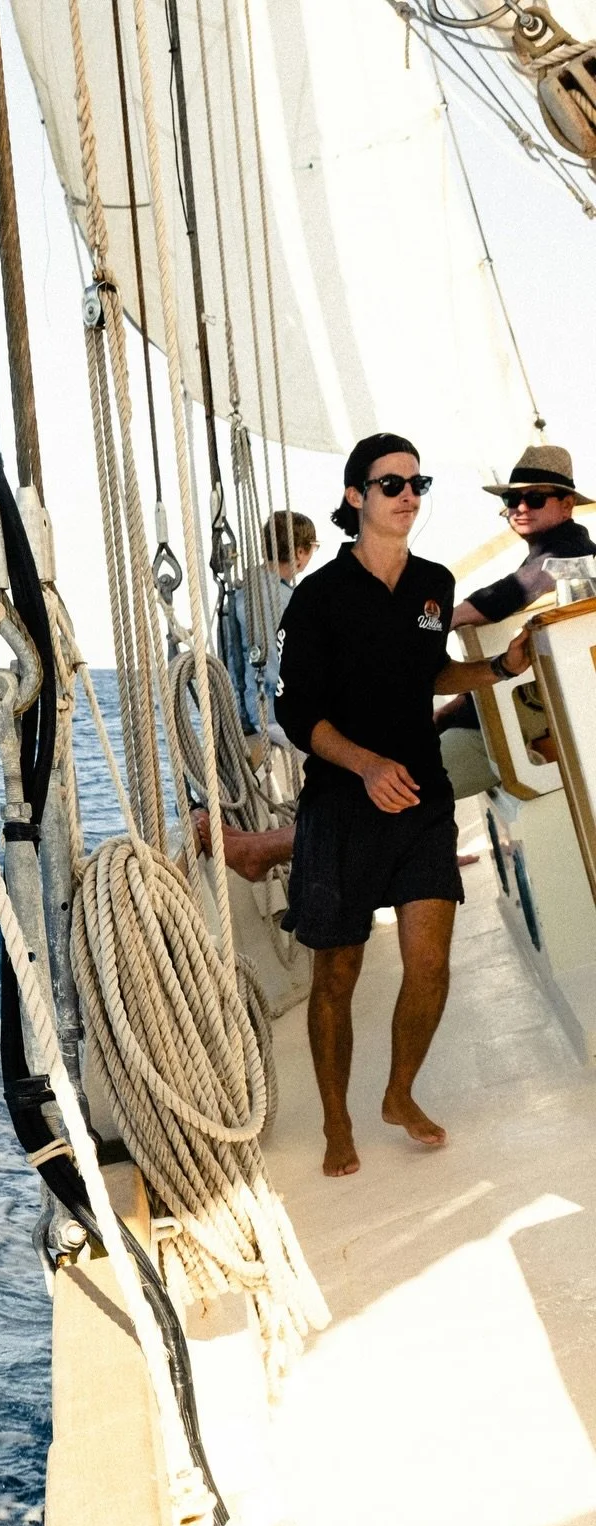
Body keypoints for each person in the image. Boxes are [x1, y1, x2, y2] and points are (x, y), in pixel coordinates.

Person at [274, 432, 532, 1179]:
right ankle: (334, 1121)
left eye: (418, 482)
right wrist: (364, 764)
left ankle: (397, 1093)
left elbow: (434, 670)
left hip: (421, 799)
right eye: (392, 484)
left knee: (430, 963)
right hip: (342, 805)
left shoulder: (434, 582)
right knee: (338, 975)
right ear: (356, 498)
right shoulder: (317, 597)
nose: (409, 494)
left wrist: (498, 669)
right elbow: (300, 717)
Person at [450, 443, 594, 630]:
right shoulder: (555, 551)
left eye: (536, 499)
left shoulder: (572, 552)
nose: (521, 508)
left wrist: (445, 619)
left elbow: (514, 590)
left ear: (566, 505)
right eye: (512, 499)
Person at [230, 511, 318, 741]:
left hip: (253, 713)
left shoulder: (242, 592)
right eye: (313, 547)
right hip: (278, 717)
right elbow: (280, 666)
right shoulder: (284, 601)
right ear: (300, 551)